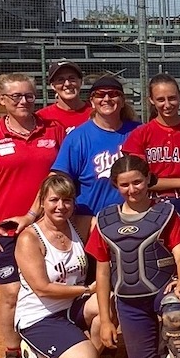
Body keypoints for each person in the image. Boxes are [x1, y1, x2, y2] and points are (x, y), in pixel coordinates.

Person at [0, 72, 66, 358]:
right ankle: (13, 352)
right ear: (2, 100)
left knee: (52, 288)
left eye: (29, 95)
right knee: (12, 292)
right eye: (16, 97)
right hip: (4, 229)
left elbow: (60, 176)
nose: (24, 101)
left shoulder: (54, 129)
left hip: (48, 227)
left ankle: (50, 345)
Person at [88, 155, 180, 358]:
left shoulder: (165, 213)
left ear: (148, 179)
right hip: (129, 299)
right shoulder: (106, 220)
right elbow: (103, 272)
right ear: (115, 185)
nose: (132, 189)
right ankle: (160, 354)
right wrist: (106, 321)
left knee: (176, 312)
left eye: (137, 182)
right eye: (124, 185)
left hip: (161, 290)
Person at [13, 172, 108, 358]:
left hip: (72, 308)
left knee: (109, 301)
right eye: (54, 200)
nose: (60, 206)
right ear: (42, 202)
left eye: (67, 200)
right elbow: (43, 288)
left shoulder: (80, 226)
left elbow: (107, 227)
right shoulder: (30, 238)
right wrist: (87, 290)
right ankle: (39, 352)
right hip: (40, 316)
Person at [122, 74, 180, 240]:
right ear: (151, 101)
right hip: (150, 203)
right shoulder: (141, 134)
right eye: (161, 99)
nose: (167, 105)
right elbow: (138, 181)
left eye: (172, 98)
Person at [51, 75, 138, 238]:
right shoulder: (78, 137)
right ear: (92, 101)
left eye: (113, 94)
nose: (107, 98)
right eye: (100, 94)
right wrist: (33, 213)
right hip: (91, 222)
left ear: (122, 100)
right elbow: (57, 178)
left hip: (134, 220)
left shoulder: (138, 131)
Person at [38, 60, 90, 129]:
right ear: (53, 86)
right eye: (60, 79)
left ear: (81, 82)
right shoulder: (42, 117)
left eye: (72, 78)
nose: (67, 84)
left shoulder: (96, 115)